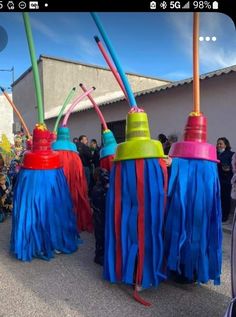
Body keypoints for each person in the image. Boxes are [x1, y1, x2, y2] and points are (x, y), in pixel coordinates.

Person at [91, 167, 109, 265]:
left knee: (100, 236)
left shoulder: (99, 188)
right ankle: (99, 256)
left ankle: (100, 254)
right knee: (100, 236)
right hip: (99, 216)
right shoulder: (98, 189)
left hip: (99, 215)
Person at [217, 137, 235, 222]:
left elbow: (234, 166)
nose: (219, 145)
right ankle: (217, 214)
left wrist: (229, 168)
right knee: (218, 198)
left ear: (225, 145)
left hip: (226, 180)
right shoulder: (215, 153)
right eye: (218, 143)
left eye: (221, 143)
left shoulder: (231, 154)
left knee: (225, 199)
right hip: (217, 179)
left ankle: (225, 216)